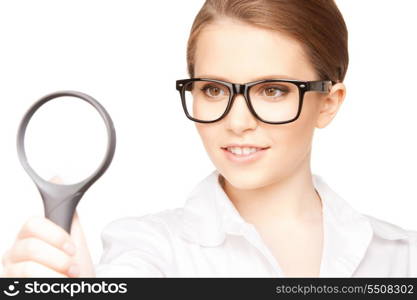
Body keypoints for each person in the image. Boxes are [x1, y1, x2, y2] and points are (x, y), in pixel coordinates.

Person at [2, 0, 417, 278]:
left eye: (272, 90)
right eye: (215, 90)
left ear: (328, 103)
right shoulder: (146, 248)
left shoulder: (403, 257)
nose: (237, 122)